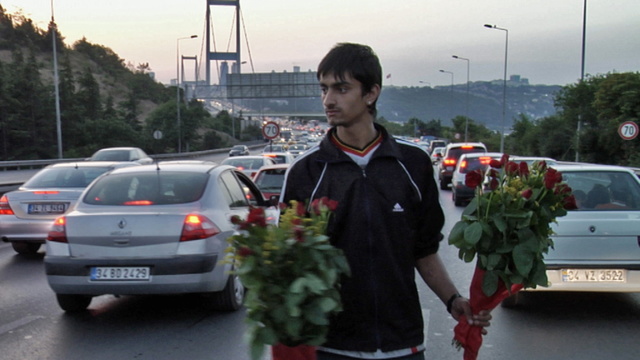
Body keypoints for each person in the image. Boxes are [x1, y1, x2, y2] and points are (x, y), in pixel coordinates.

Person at [280, 43, 491, 360]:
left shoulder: (414, 164)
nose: (328, 100)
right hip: (332, 346)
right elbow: (288, 258)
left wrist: (453, 300)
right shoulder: (306, 172)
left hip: (402, 344)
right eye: (324, 89)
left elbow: (423, 250)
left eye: (341, 88)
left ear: (371, 93)